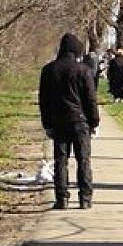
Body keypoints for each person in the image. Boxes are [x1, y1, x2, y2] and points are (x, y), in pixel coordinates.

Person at [39, 33, 100, 210]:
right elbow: (90, 99)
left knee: (60, 160)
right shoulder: (83, 70)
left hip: (58, 122)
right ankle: (85, 199)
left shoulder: (49, 70)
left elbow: (44, 100)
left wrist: (47, 124)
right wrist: (94, 122)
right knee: (84, 160)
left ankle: (62, 198)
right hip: (80, 122)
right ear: (76, 50)